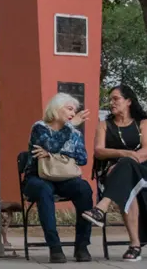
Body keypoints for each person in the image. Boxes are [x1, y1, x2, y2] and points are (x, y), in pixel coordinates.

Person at [82, 85, 147, 261]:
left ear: (129, 101)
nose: (111, 103)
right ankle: (134, 245)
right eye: (110, 99)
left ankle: (101, 207)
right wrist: (124, 154)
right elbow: (99, 151)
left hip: (144, 174)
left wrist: (127, 161)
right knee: (126, 181)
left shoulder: (144, 124)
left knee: (126, 169)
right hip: (112, 174)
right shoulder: (104, 125)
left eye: (116, 98)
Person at [21, 93, 93, 264]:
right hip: (37, 178)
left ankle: (82, 246)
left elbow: (82, 158)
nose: (73, 114)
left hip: (65, 178)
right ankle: (55, 247)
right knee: (44, 190)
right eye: (69, 109)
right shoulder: (40, 127)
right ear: (56, 108)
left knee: (84, 188)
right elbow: (50, 144)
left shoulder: (75, 132)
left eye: (74, 111)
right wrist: (61, 144)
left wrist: (53, 154)